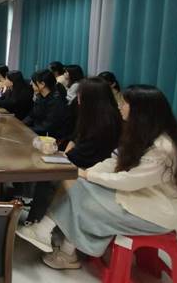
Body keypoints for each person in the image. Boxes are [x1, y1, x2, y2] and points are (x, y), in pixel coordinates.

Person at [16, 85, 177, 270]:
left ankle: (56, 241)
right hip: (140, 195)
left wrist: (88, 174)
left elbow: (129, 181)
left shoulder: (163, 149)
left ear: (141, 111)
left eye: (124, 103)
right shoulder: (141, 133)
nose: (120, 106)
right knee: (79, 186)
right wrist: (88, 174)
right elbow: (114, 160)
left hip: (157, 211)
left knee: (83, 198)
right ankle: (58, 243)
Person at [22, 77, 122, 224]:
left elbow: (90, 152)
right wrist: (65, 154)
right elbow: (75, 138)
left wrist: (65, 157)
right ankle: (37, 210)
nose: (78, 98)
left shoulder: (107, 121)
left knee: (49, 174)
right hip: (81, 158)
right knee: (46, 164)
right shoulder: (91, 113)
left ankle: (36, 220)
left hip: (93, 166)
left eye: (81, 95)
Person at [23, 70, 70, 140]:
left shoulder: (56, 101)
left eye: (33, 82)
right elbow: (32, 115)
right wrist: (21, 124)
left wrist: (26, 130)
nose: (30, 84)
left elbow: (47, 127)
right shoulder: (40, 96)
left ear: (42, 84)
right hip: (37, 132)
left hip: (50, 138)